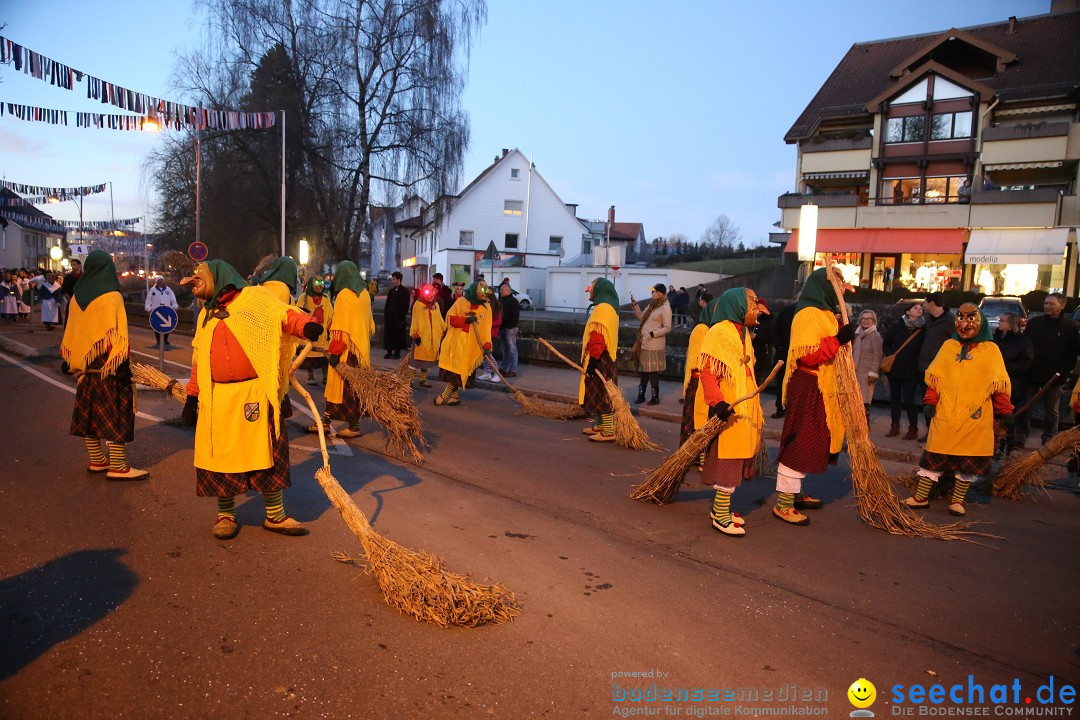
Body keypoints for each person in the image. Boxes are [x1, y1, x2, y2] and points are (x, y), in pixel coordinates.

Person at [180, 259, 324, 539]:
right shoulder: (206, 315)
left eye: (200, 278)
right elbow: (199, 360)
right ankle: (225, 516)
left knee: (266, 456)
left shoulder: (254, 298)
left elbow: (283, 315)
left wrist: (305, 325)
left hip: (254, 394)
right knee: (221, 459)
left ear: (219, 276)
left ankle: (275, 515)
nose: (195, 285)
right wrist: (192, 397)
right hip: (217, 399)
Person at [904, 303, 1012, 516]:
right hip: (946, 412)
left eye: (971, 318)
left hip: (975, 416)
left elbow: (998, 383)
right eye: (960, 318)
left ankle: (958, 501)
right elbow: (936, 378)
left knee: (967, 462)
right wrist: (930, 402)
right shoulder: (949, 346)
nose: (964, 324)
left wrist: (1005, 410)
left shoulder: (991, 350)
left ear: (980, 323)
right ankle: (921, 497)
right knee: (934, 457)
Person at [773, 267, 854, 526]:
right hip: (808, 383)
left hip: (821, 385)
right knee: (801, 440)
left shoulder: (826, 314)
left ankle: (794, 493)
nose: (841, 289)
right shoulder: (808, 314)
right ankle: (784, 503)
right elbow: (807, 354)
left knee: (813, 441)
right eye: (837, 284)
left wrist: (840, 330)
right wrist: (838, 339)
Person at [60, 250, 148, 480]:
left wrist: (73, 360)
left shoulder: (77, 298)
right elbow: (117, 335)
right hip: (109, 366)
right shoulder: (112, 297)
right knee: (117, 413)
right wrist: (122, 366)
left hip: (86, 367)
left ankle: (97, 460)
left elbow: (72, 333)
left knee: (89, 413)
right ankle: (118, 466)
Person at [699, 288, 768, 537]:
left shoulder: (743, 334)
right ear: (737, 305)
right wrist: (717, 403)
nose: (755, 309)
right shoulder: (718, 332)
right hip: (729, 409)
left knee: (738, 459)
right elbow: (707, 373)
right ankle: (720, 514)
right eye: (751, 304)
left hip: (745, 407)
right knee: (728, 461)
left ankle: (724, 509)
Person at [320, 261, 375, 439]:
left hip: (346, 350)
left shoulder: (344, 295)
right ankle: (325, 422)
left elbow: (341, 328)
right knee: (355, 389)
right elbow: (369, 324)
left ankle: (352, 426)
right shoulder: (365, 294)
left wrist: (334, 353)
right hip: (362, 350)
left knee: (342, 389)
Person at [1017, 292, 1080, 446]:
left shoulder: (1069, 327)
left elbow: (1073, 352)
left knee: (1051, 411)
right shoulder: (1035, 323)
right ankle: (1020, 437)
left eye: (1051, 304)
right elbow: (1025, 345)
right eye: (1046, 303)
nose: (1047, 306)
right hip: (1032, 374)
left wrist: (1064, 373)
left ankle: (1048, 440)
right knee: (1026, 407)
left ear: (1062, 305)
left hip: (1055, 377)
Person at [435, 281, 494, 406]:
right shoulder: (461, 302)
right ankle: (454, 396)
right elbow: (450, 318)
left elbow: (486, 328)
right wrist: (465, 320)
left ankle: (444, 395)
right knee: (453, 369)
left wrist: (487, 345)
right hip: (456, 342)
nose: (485, 294)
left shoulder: (487, 308)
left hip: (471, 345)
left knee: (460, 369)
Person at [580, 278, 620, 442]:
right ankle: (600, 425)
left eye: (591, 288)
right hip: (605, 357)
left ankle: (609, 430)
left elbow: (598, 335)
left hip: (600, 358)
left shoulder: (602, 309)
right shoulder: (609, 308)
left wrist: (593, 361)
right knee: (596, 393)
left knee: (602, 393)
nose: (589, 291)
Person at [680, 294, 716, 468]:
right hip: (698, 383)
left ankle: (702, 457)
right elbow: (697, 361)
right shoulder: (701, 329)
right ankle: (695, 456)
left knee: (704, 422)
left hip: (708, 383)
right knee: (695, 421)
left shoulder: (715, 330)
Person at [915, 293, 955, 441]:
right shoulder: (928, 320)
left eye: (925, 302)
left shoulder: (950, 321)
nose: (922, 306)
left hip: (940, 370)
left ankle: (940, 433)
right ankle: (930, 432)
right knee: (927, 402)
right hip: (924, 367)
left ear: (932, 303)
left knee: (939, 403)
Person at [882, 303, 925, 439]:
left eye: (920, 308)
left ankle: (913, 429)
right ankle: (895, 426)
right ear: (908, 311)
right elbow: (886, 342)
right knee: (895, 399)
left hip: (912, 370)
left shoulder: (924, 328)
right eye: (915, 308)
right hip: (895, 368)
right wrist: (891, 354)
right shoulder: (898, 325)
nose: (919, 309)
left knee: (909, 400)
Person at [993, 312, 1033, 456]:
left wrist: (1003, 369)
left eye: (1003, 321)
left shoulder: (1023, 341)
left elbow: (1025, 363)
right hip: (994, 384)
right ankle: (994, 446)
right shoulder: (995, 338)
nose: (999, 322)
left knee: (1008, 419)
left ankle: (1006, 448)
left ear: (1011, 324)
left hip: (1013, 386)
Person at [630, 283, 672, 405]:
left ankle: (655, 397)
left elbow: (668, 327)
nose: (651, 293)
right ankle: (641, 395)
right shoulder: (652, 305)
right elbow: (642, 317)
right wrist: (635, 305)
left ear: (660, 294)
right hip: (644, 342)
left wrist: (653, 333)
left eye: (653, 291)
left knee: (652, 371)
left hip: (654, 344)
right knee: (644, 370)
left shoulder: (665, 308)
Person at [297, 275, 334, 386]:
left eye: (321, 283)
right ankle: (310, 375)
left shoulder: (326, 299)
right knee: (309, 355)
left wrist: (330, 328)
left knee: (324, 356)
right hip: (309, 333)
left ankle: (325, 375)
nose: (319, 286)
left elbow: (330, 314)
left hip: (322, 334)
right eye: (317, 283)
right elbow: (299, 313)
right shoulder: (304, 298)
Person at [409, 284, 446, 387]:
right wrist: (415, 334)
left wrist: (442, 330)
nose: (430, 296)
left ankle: (423, 379)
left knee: (427, 361)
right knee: (415, 361)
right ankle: (409, 380)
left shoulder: (436, 305)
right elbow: (415, 320)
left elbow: (439, 319)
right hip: (420, 337)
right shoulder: (418, 305)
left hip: (432, 338)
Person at [853, 309, 883, 423]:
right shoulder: (856, 334)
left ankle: (864, 430)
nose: (865, 321)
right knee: (854, 402)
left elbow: (878, 356)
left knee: (864, 403)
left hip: (866, 375)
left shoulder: (876, 336)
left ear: (874, 321)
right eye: (863, 318)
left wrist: (873, 373)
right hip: (854, 372)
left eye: (868, 318)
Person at [769, 301, 797, 418]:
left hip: (791, 351)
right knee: (782, 381)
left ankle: (788, 409)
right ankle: (781, 407)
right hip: (785, 351)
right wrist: (779, 345)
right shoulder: (787, 311)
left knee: (793, 383)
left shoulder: (788, 310)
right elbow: (776, 328)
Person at [144, 276, 179, 347]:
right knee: (157, 326)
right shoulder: (153, 290)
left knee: (168, 326)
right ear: (157, 282)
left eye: (162, 280)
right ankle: (159, 341)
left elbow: (173, 298)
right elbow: (148, 299)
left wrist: (174, 306)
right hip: (156, 311)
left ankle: (165, 340)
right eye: (159, 281)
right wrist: (148, 308)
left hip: (166, 310)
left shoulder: (168, 290)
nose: (161, 282)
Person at [383, 271, 411, 359]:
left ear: (399, 280)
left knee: (398, 335)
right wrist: (386, 314)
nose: (393, 281)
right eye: (392, 279)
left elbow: (405, 305)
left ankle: (397, 352)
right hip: (390, 317)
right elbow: (387, 304)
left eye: (394, 279)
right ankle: (389, 351)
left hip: (398, 317)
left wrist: (401, 317)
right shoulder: (391, 291)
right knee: (389, 334)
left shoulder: (405, 291)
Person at [497, 282, 521, 377]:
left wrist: (509, 326)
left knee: (512, 349)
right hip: (502, 328)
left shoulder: (513, 301)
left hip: (509, 329)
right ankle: (504, 367)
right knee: (505, 349)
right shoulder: (502, 301)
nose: (500, 292)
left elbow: (515, 316)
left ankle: (513, 369)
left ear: (508, 290)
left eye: (502, 290)